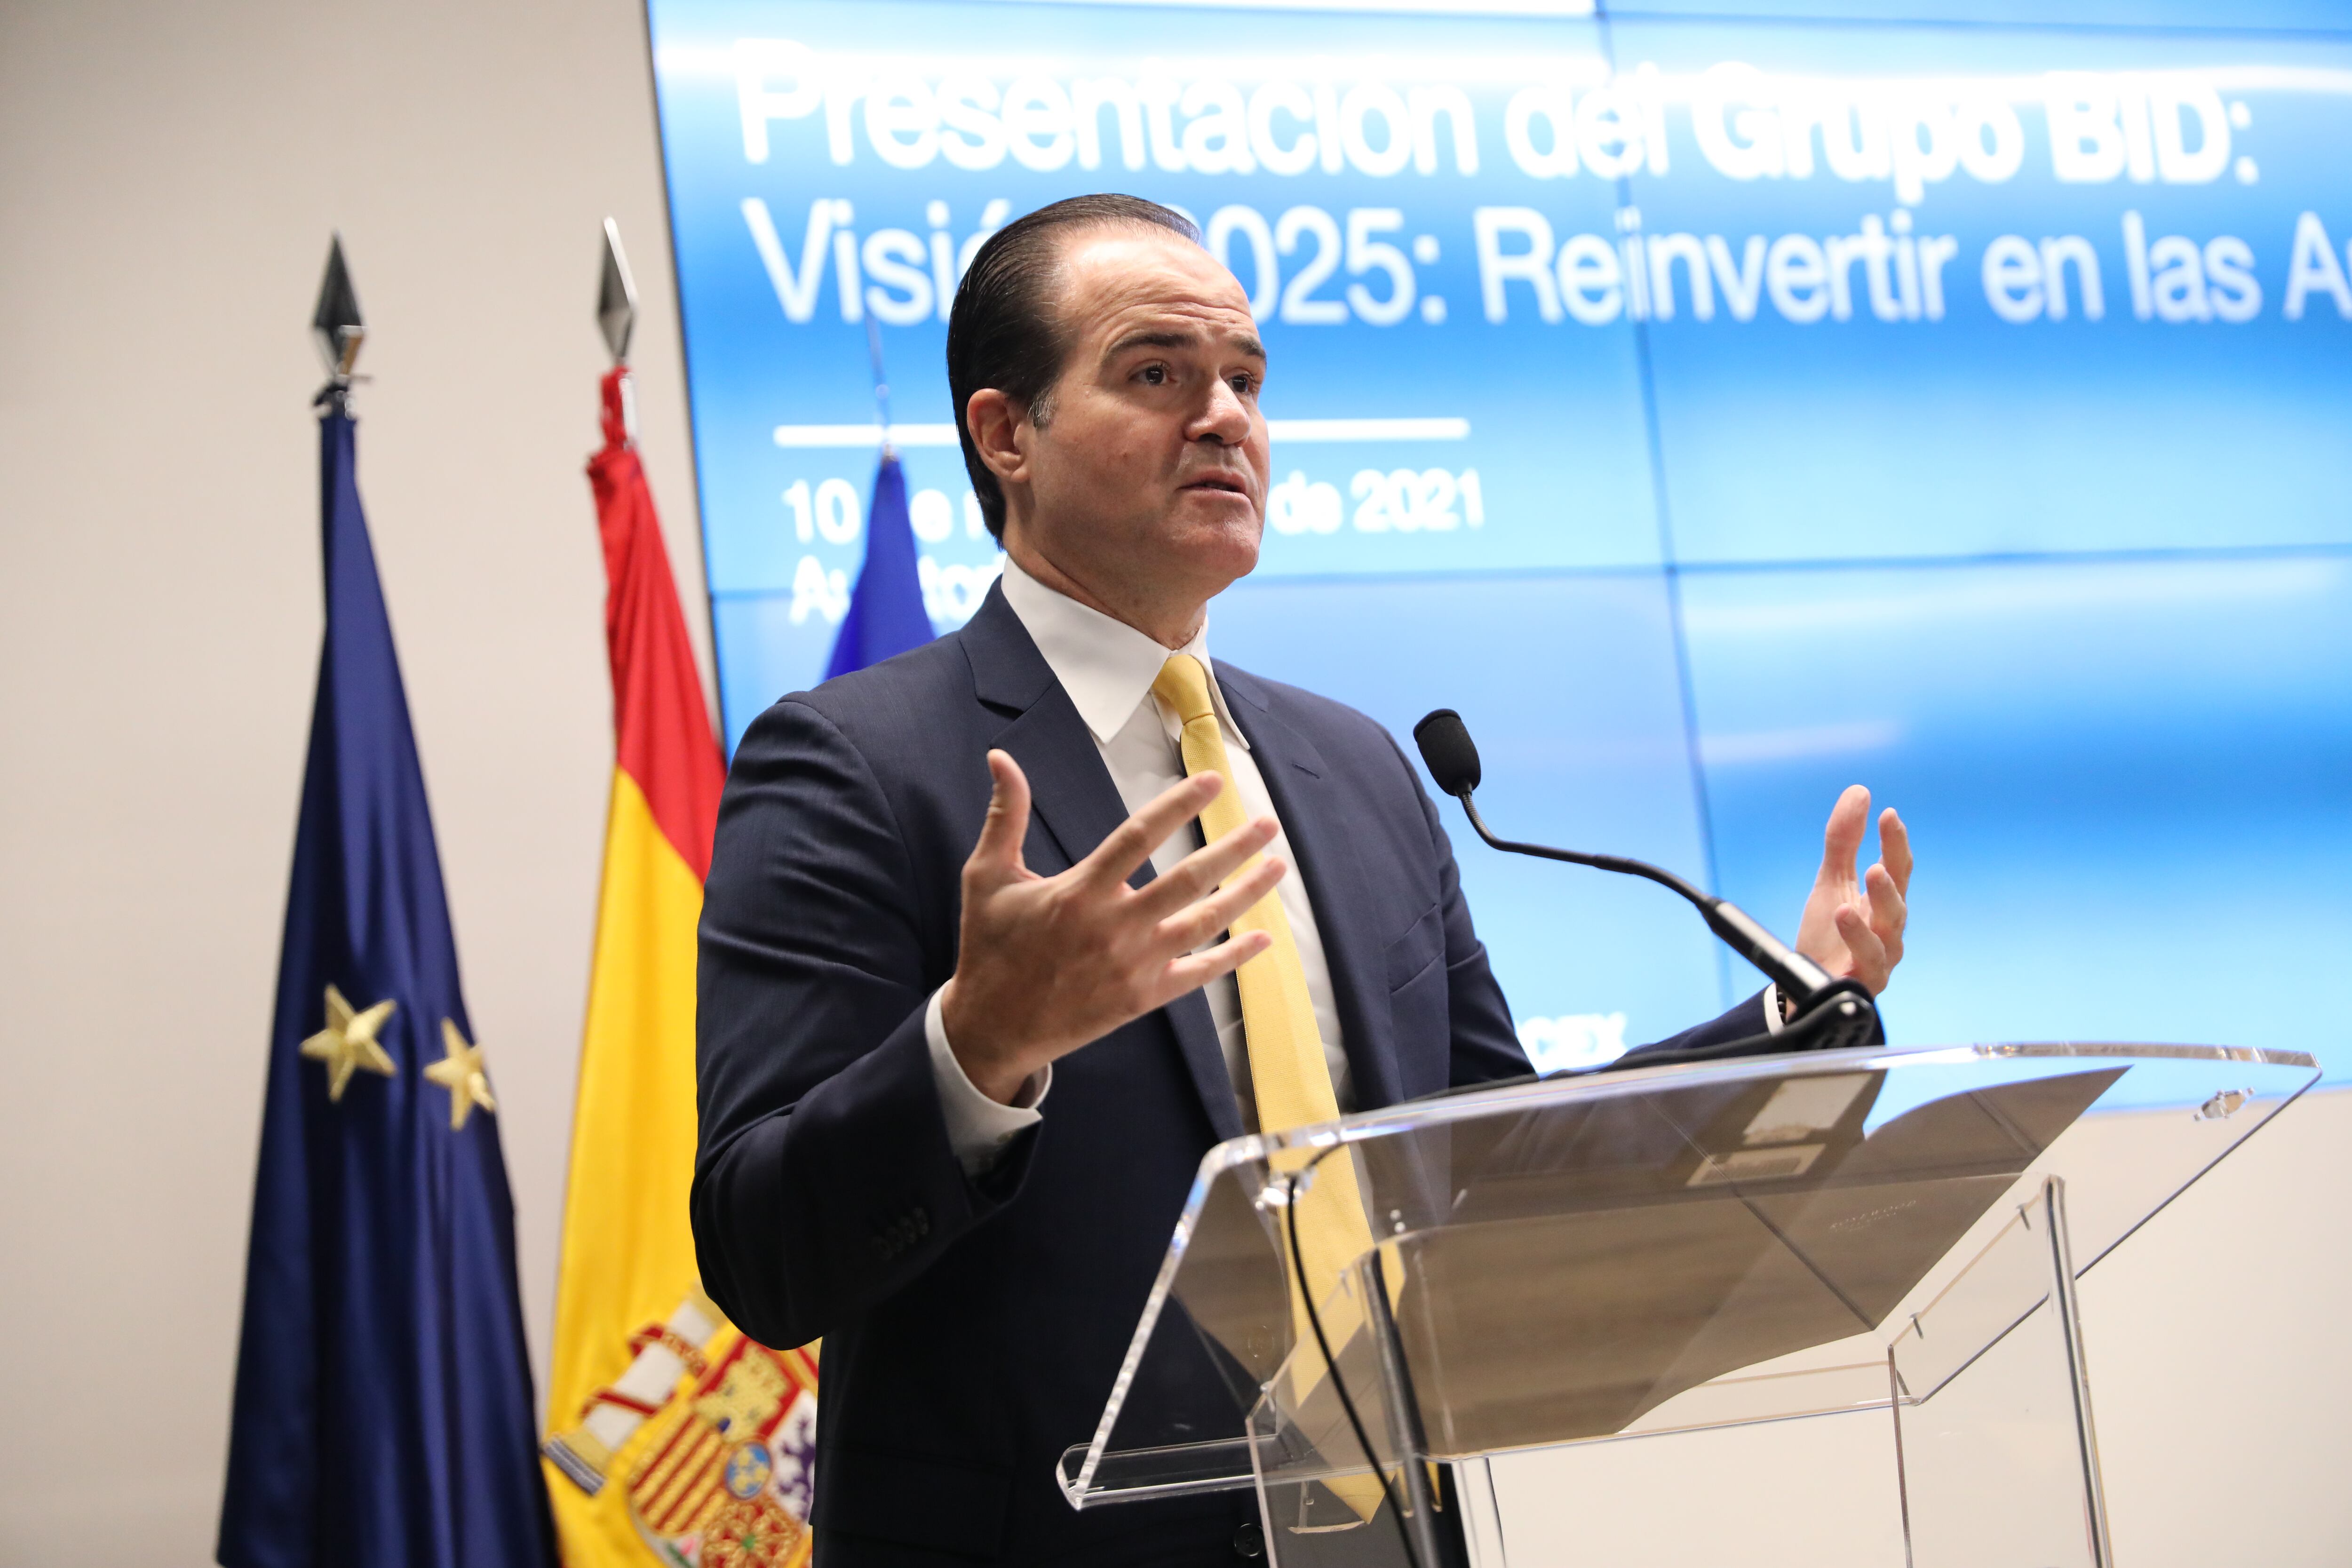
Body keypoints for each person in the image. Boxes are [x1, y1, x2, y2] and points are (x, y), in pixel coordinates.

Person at [693, 194, 1912, 1568]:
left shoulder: (1359, 766)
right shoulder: (857, 762)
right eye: (1158, 373)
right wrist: (979, 1048)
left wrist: (1791, 1020)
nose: (1225, 417)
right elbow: (760, 1253)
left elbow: (1481, 1164)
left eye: (1247, 380)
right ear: (1005, 433)